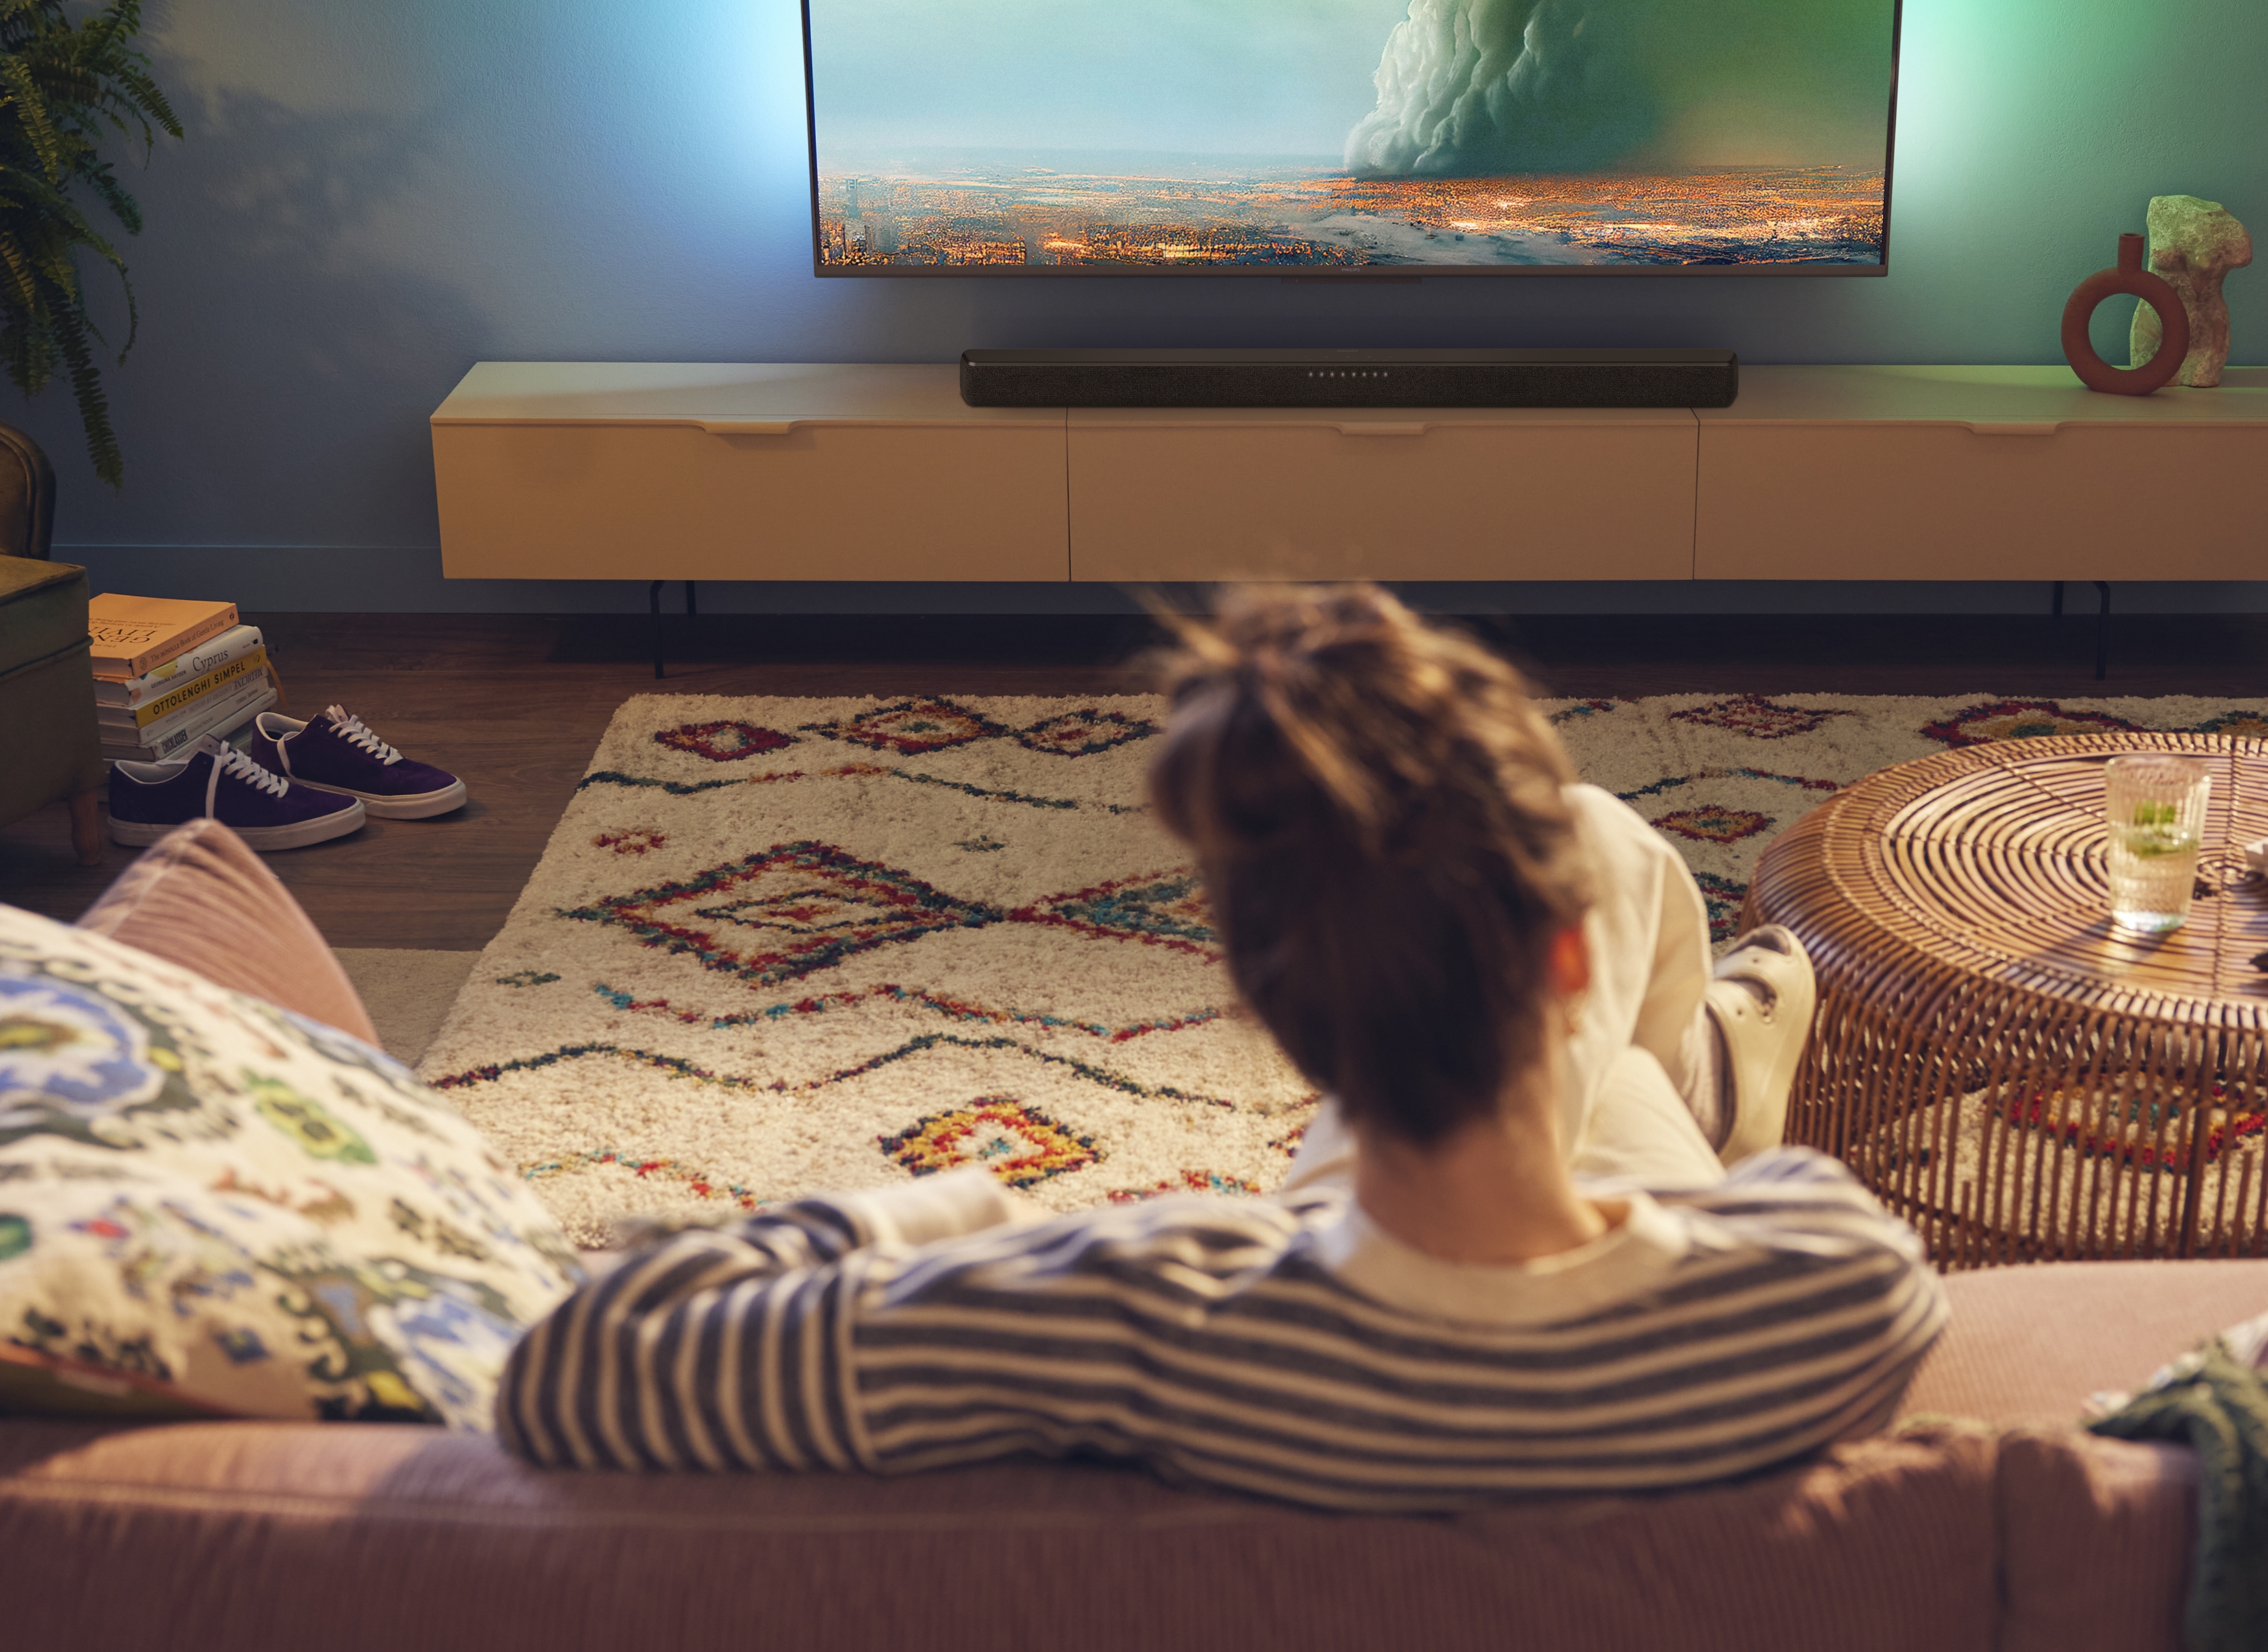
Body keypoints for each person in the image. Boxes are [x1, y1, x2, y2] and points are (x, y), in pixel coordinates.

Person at [497, 584, 1944, 1511]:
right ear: (1555, 966)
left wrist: (961, 1209)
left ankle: (1679, 1069)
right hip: (1615, 1214)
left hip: (1334, 1243)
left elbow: (573, 1362)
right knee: (1602, 852)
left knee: (1592, 898)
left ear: (1261, 1008)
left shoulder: (1133, 1302)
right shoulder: (1829, 1277)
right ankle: (1692, 1073)